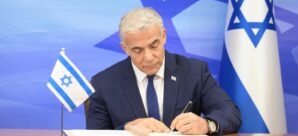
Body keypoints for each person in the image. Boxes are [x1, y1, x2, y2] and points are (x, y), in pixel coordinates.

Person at [87, 7, 241, 134]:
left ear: (164, 36)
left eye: (154, 46)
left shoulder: (194, 71)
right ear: (125, 48)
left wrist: (206, 125)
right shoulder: (103, 83)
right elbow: (94, 133)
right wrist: (127, 129)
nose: (148, 57)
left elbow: (230, 113)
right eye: (138, 50)